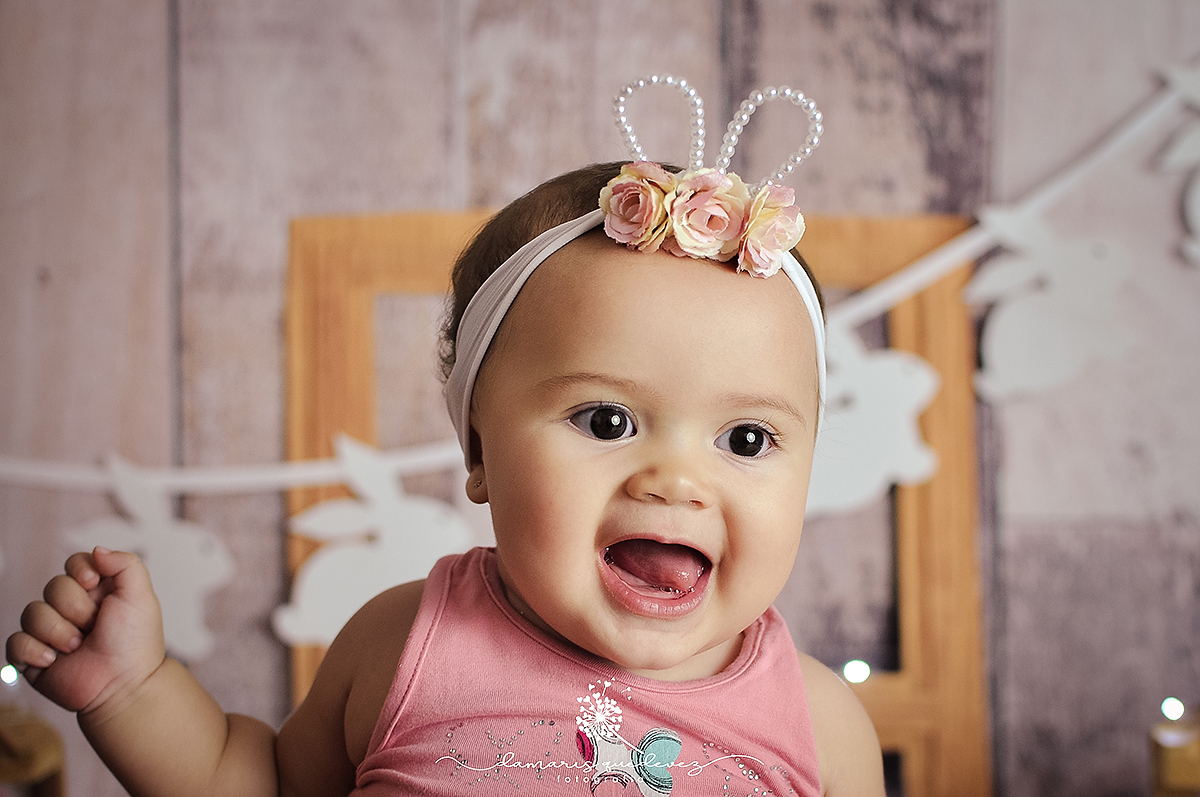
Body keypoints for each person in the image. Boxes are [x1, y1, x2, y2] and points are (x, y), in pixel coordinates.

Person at [7, 153, 884, 795]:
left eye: (746, 438)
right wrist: (132, 690)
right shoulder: (406, 642)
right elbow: (257, 784)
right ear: (477, 452)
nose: (676, 479)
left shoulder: (817, 724)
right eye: (607, 421)